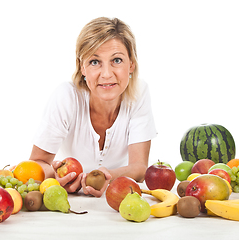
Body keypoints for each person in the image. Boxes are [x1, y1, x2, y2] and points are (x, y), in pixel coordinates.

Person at [29, 17, 157, 197]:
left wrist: (106, 177)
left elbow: (139, 167)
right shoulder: (67, 96)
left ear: (131, 65)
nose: (106, 74)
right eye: (95, 62)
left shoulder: (139, 93)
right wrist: (54, 178)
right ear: (83, 68)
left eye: (117, 60)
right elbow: (37, 162)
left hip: (116, 200)